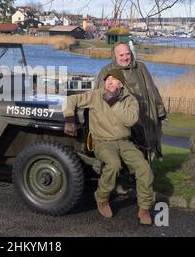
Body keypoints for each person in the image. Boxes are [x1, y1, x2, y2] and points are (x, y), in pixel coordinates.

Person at [63, 70, 154, 225]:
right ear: (104, 82)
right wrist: (69, 119)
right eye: (108, 80)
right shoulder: (96, 95)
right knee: (113, 164)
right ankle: (102, 198)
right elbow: (71, 99)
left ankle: (144, 208)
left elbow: (131, 120)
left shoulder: (129, 99)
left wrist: (113, 103)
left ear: (121, 84)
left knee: (144, 168)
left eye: (115, 80)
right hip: (102, 141)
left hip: (125, 141)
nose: (111, 82)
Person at [96, 42, 167, 160]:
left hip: (146, 115)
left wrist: (160, 110)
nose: (125, 58)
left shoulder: (140, 68)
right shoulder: (106, 71)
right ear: (114, 56)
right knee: (128, 149)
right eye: (121, 55)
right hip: (123, 118)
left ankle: (144, 173)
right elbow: (101, 95)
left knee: (146, 146)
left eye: (127, 54)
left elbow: (152, 89)